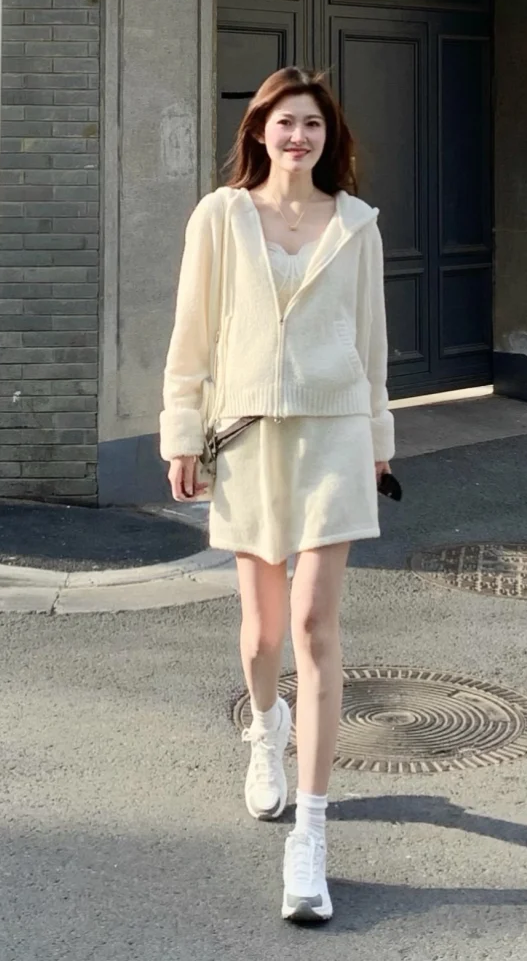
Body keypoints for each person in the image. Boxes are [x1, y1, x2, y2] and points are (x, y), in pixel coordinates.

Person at [160, 67, 393, 925]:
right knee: (262, 635)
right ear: (259, 130)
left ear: (330, 138)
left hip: (334, 432)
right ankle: (267, 727)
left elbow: (372, 342)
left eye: (313, 125)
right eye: (286, 122)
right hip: (249, 434)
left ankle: (313, 833)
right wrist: (181, 431)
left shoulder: (357, 224)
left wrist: (380, 441)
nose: (299, 136)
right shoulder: (221, 216)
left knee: (313, 625)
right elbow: (192, 336)